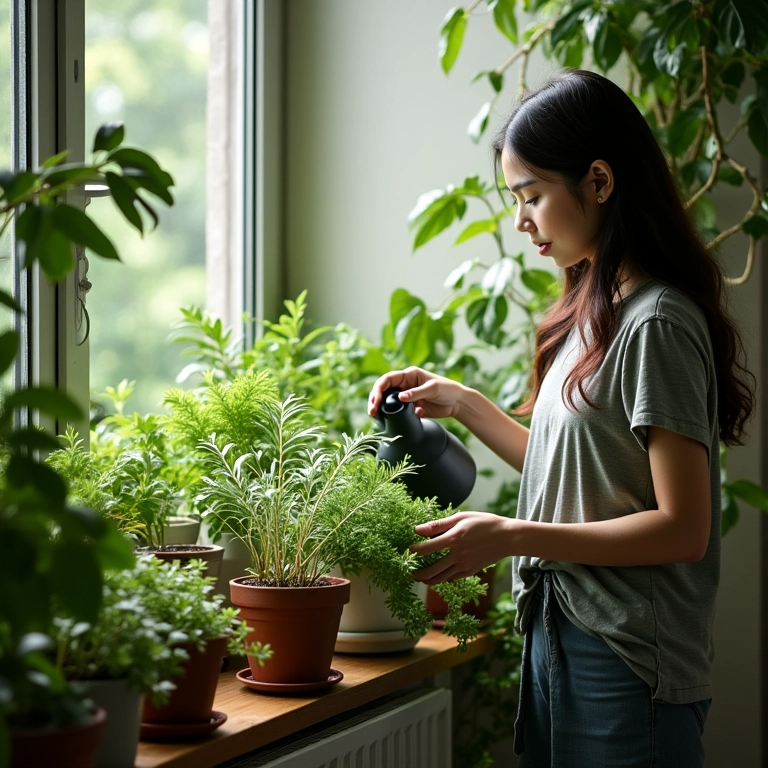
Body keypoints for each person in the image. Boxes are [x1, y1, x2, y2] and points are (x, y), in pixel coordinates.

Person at [368, 69, 754, 768]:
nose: (521, 222)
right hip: (561, 636)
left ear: (600, 182)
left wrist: (512, 535)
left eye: (532, 197)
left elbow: (684, 527)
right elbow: (580, 475)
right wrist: (461, 402)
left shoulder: (656, 322)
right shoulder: (593, 314)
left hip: (628, 660)